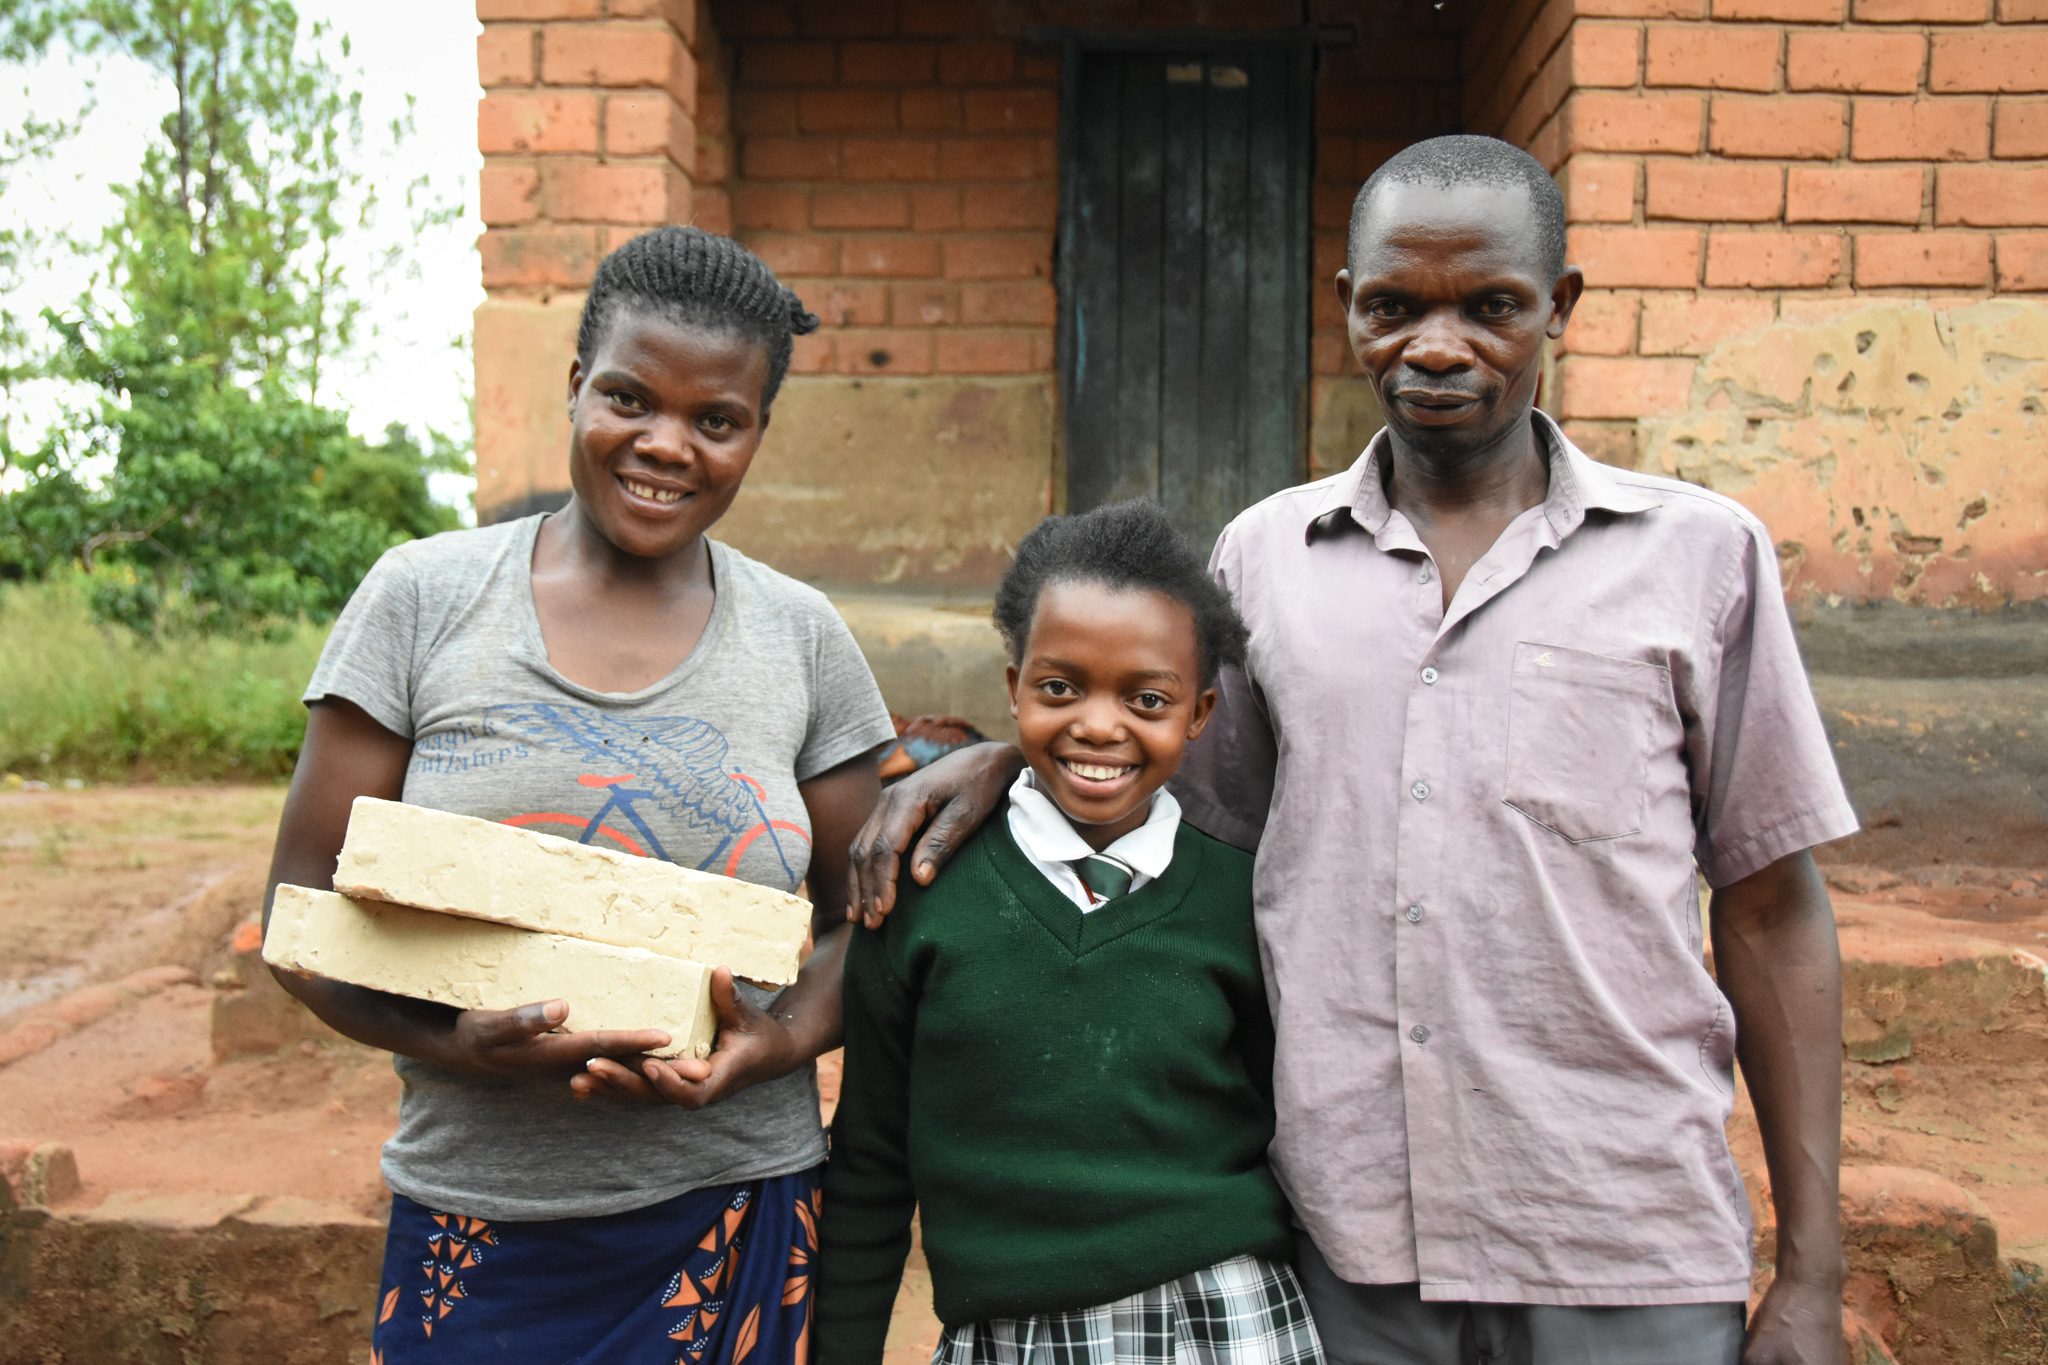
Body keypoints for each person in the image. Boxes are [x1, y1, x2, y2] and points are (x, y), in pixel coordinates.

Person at [848, 136, 1856, 1365]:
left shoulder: (1699, 558)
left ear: (1561, 307)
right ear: (1344, 309)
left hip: (1618, 1226)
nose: (1435, 347)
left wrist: (1810, 1271)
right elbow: (1177, 823)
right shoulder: (1262, 563)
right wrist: (1018, 756)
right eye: (1393, 307)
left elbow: (1768, 909)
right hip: (1347, 1241)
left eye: (1489, 307)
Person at [263, 226, 897, 1365]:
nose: (666, 445)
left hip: (732, 1210)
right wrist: (453, 1042)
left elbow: (869, 915)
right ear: (572, 387)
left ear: (756, 432)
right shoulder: (424, 600)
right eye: (627, 398)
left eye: (716, 420)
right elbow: (303, 917)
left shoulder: (802, 639)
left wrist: (776, 1040)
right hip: (481, 1215)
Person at [817, 500, 1323, 1365]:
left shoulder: (1242, 900)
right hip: (1011, 1336)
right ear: (1011, 686)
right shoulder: (925, 897)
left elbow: (1295, 1133)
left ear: (1199, 714)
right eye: (1060, 687)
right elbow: (868, 1160)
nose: (1098, 724)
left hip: (1226, 1322)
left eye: (1147, 698)